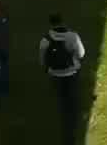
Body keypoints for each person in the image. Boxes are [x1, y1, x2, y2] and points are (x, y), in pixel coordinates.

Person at [40, 13, 85, 145]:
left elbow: (42, 59)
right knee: (72, 100)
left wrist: (47, 69)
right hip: (71, 73)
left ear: (50, 23)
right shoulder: (72, 36)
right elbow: (81, 54)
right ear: (63, 21)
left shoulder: (45, 40)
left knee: (61, 99)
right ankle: (72, 120)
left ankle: (63, 115)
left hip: (55, 74)